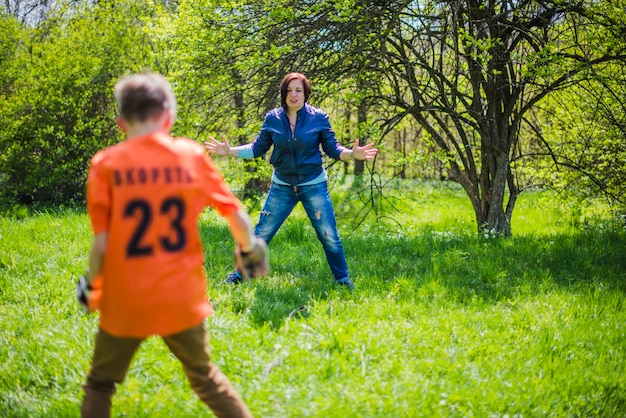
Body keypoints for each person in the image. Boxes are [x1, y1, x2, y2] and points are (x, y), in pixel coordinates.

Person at [77, 72, 268, 418]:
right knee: (206, 378)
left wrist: (92, 287)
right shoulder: (190, 155)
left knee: (100, 384)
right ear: (169, 116)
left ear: (121, 123)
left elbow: (102, 244)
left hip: (126, 299)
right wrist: (249, 248)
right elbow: (235, 214)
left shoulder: (105, 164)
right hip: (181, 297)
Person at [205, 72, 378, 289]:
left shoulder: (319, 118)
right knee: (261, 233)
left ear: (306, 93)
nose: (293, 95)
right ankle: (240, 274)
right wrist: (230, 151)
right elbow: (257, 148)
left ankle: (342, 280)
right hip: (282, 186)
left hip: (313, 185)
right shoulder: (273, 118)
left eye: (298, 90)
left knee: (329, 236)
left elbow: (333, 150)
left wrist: (352, 154)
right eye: (289, 90)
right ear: (283, 93)